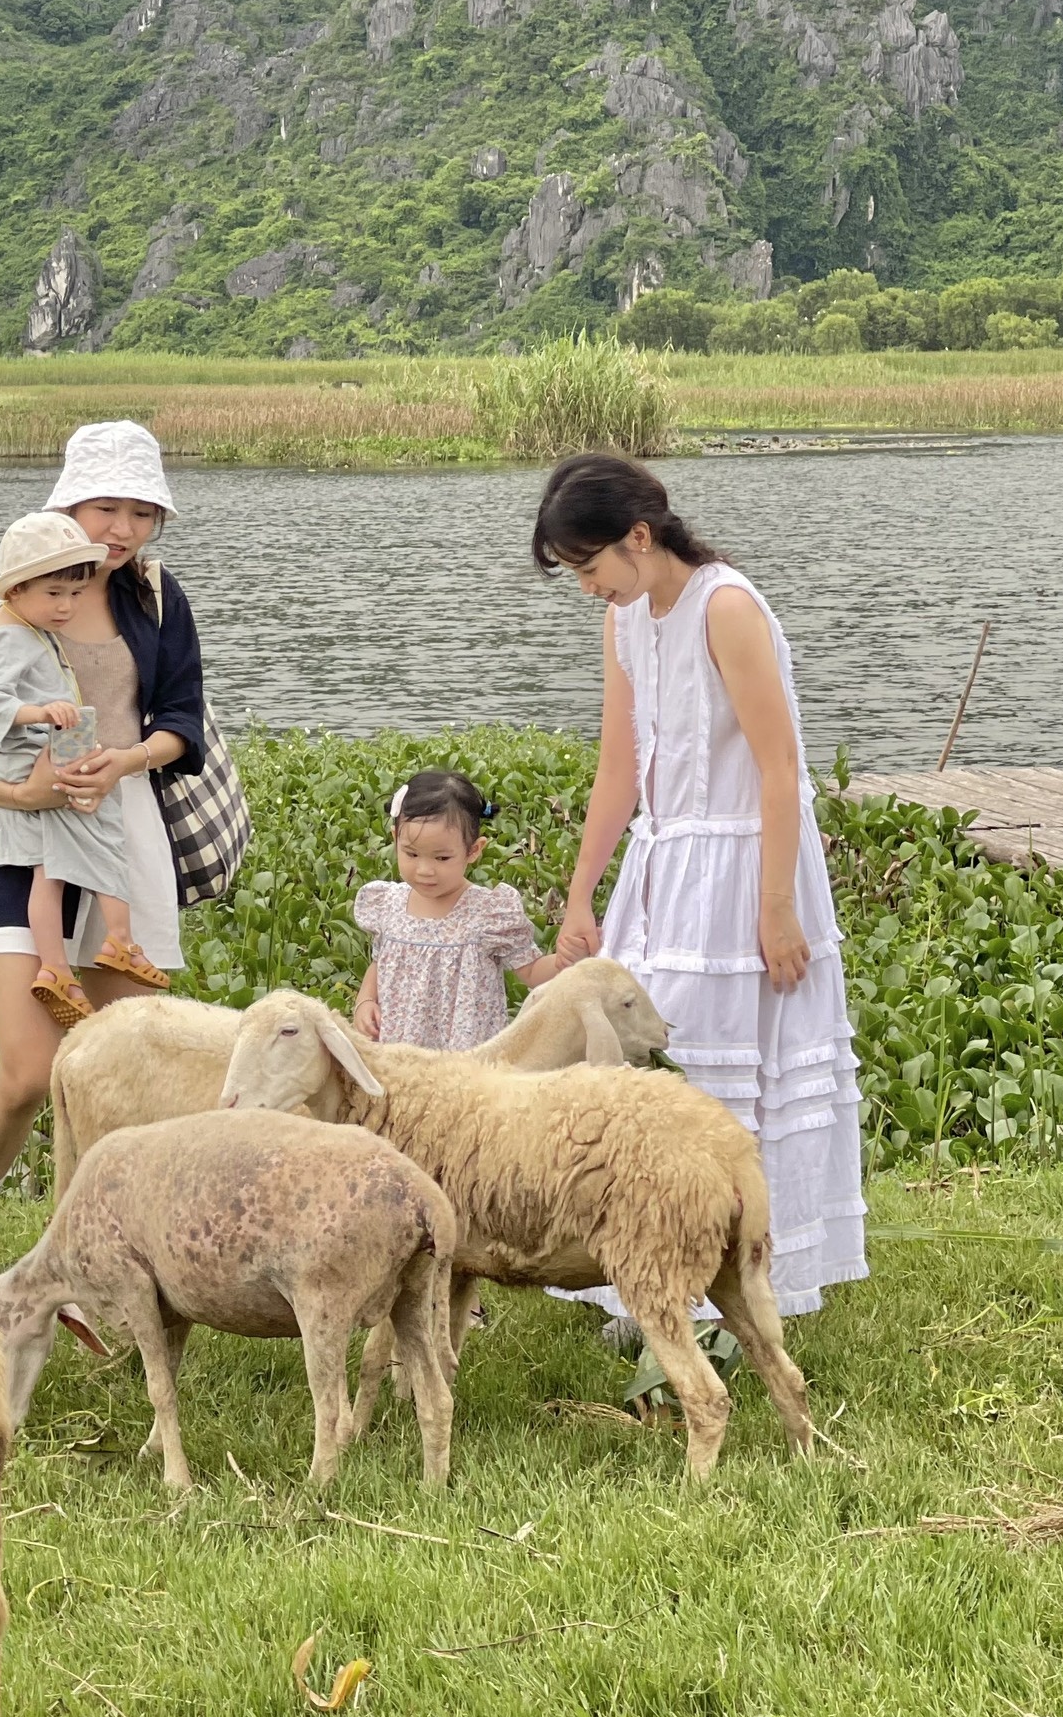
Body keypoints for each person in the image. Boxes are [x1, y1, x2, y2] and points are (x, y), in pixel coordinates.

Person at [536, 451, 866, 1322]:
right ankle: (656, 1281)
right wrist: (581, 896)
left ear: (639, 537)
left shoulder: (726, 606)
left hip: (744, 865)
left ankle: (744, 1286)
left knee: (732, 1068)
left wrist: (778, 907)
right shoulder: (626, 622)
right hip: (663, 867)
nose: (587, 588)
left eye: (590, 566)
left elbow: (780, 766)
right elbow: (620, 768)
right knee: (650, 1067)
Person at [0, 421, 206, 1267]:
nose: (122, 529)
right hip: (19, 844)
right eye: (105, 507)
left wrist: (130, 758)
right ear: (68, 506)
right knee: (32, 1068)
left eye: (141, 512)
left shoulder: (157, 599)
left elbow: (182, 720)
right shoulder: (4, 606)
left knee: (127, 1064)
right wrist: (25, 790)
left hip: (121, 834)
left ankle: (120, 1244)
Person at [0, 511, 169, 1030]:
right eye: (54, 594)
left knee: (49, 875)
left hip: (41, 750)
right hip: (39, 754)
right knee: (103, 830)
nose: (66, 606)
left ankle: (55, 967)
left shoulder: (8, 624)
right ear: (17, 591)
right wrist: (42, 713)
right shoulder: (14, 636)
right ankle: (120, 942)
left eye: (74, 593)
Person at [351, 769, 563, 1048]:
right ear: (395, 839)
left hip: (465, 1064)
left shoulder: (489, 912)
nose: (425, 870)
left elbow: (533, 972)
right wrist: (365, 1001)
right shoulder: (388, 903)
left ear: (473, 850)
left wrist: (566, 960)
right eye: (411, 854)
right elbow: (380, 963)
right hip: (397, 1058)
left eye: (442, 857)